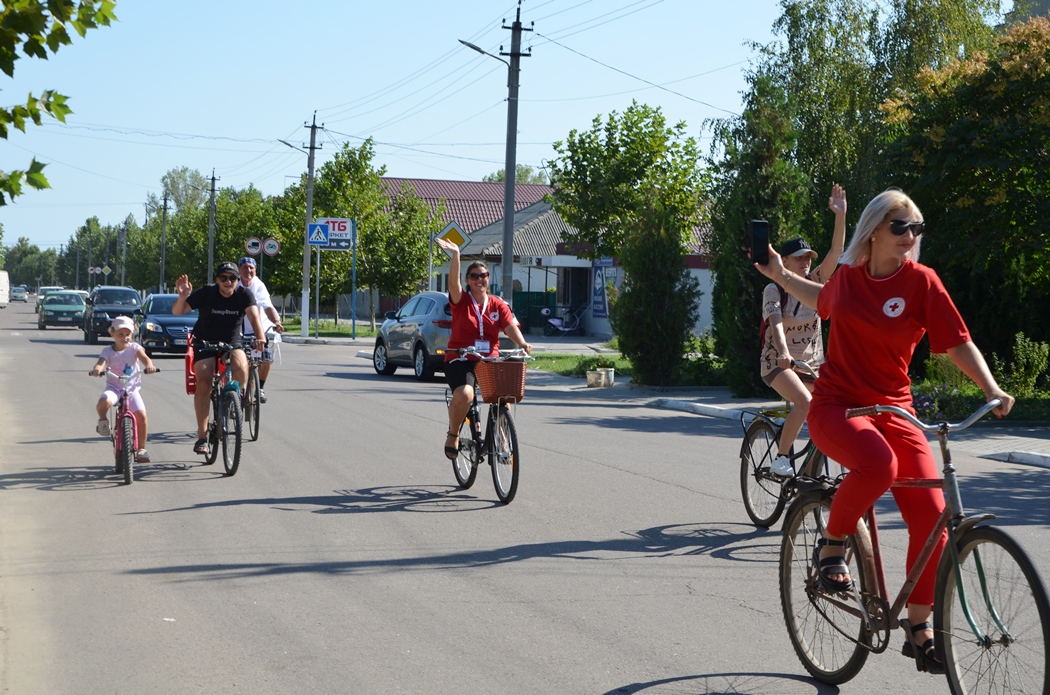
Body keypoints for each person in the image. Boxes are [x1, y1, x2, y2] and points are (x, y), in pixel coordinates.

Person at [755, 188, 1013, 675]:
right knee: (879, 464)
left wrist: (991, 389)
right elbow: (820, 298)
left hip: (895, 410)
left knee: (933, 516)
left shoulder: (922, 283)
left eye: (918, 229)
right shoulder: (849, 278)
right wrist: (781, 275)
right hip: (837, 407)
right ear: (874, 230)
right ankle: (832, 545)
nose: (912, 237)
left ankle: (920, 631)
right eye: (902, 228)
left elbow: (958, 342)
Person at [761, 184, 847, 477]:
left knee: (835, 409)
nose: (806, 262)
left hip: (812, 366)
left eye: (808, 257)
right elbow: (775, 324)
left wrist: (840, 215)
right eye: (799, 257)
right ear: (783, 262)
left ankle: (811, 468)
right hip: (779, 364)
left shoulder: (818, 282)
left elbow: (837, 250)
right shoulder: (774, 288)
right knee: (805, 402)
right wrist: (784, 353)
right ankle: (782, 458)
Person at [434, 236, 532, 460]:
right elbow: (452, 284)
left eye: (484, 276)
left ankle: (503, 440)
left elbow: (509, 327)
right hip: (460, 358)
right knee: (466, 393)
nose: (480, 280)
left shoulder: (498, 304)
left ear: (489, 278)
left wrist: (523, 343)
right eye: (475, 276)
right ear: (468, 280)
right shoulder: (461, 301)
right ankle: (453, 433)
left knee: (503, 397)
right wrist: (456, 254)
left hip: (489, 359)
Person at [173, 262, 266, 457]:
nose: (227, 281)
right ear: (217, 280)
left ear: (237, 280)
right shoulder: (207, 293)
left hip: (231, 342)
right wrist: (183, 297)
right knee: (205, 380)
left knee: (241, 366)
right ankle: (202, 437)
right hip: (204, 342)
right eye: (223, 278)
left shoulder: (244, 295)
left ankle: (232, 400)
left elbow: (255, 318)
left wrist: (260, 337)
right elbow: (178, 311)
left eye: (232, 278)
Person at [89, 316, 159, 463]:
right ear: (112, 334)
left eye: (128, 334)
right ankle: (103, 421)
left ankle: (141, 449)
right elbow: (100, 363)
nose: (124, 338)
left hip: (131, 389)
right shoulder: (108, 351)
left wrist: (149, 366)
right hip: (114, 388)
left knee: (141, 415)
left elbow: (145, 358)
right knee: (103, 403)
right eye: (120, 334)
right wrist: (97, 370)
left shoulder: (135, 348)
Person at [236, 257, 285, 403]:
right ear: (239, 270)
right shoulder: (234, 284)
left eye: (251, 268)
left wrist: (276, 322)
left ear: (255, 270)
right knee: (237, 361)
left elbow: (268, 307)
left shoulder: (259, 285)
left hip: (259, 330)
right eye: (245, 267)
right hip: (238, 330)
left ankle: (260, 388)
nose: (248, 271)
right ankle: (236, 393)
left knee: (266, 358)